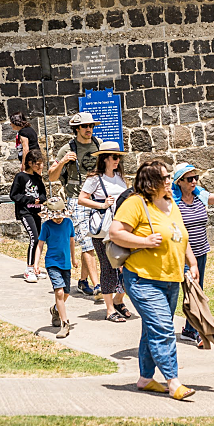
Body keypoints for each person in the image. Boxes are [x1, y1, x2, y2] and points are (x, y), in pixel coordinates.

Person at [107, 160, 198, 401]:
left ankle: (146, 379)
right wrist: (144, 242)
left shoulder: (170, 204)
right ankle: (173, 382)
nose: (170, 181)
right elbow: (115, 232)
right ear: (151, 182)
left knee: (153, 328)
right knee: (164, 330)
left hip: (171, 279)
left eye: (169, 177)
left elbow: (180, 234)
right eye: (165, 177)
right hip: (142, 279)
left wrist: (192, 262)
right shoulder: (136, 203)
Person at [48, 111, 102, 296]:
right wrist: (63, 162)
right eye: (85, 126)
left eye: (91, 126)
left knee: (94, 242)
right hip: (76, 200)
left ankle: (82, 281)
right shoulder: (67, 148)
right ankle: (98, 286)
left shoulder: (98, 145)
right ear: (77, 129)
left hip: (96, 199)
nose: (89, 129)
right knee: (87, 244)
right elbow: (51, 176)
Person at [172, 162, 214, 346]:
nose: (194, 181)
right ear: (179, 181)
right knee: (190, 291)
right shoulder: (172, 201)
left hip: (201, 251)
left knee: (197, 289)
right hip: (182, 254)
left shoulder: (200, 196)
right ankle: (196, 329)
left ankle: (189, 329)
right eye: (190, 178)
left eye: (196, 177)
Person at [77, 141, 130, 322]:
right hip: (103, 230)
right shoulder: (94, 179)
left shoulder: (120, 178)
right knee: (108, 268)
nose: (117, 161)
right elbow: (81, 199)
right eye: (114, 157)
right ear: (105, 158)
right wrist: (101, 204)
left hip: (122, 228)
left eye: (119, 157)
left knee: (127, 267)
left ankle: (118, 300)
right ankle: (109, 309)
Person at [33, 197, 79, 339]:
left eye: (60, 217)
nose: (58, 220)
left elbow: (71, 242)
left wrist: (73, 258)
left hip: (65, 263)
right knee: (59, 292)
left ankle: (55, 309)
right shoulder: (47, 226)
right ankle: (65, 324)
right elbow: (40, 245)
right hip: (52, 263)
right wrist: (36, 263)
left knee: (66, 293)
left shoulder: (68, 223)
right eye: (55, 217)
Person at [10, 149, 48, 283]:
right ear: (30, 163)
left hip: (36, 212)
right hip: (25, 212)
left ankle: (36, 267)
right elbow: (14, 195)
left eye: (41, 163)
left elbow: (43, 194)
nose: (40, 166)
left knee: (39, 240)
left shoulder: (38, 178)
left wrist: (40, 200)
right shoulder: (20, 177)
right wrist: (30, 200)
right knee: (34, 238)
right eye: (37, 164)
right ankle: (29, 269)